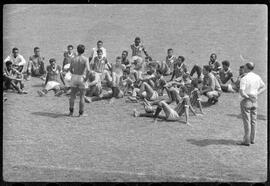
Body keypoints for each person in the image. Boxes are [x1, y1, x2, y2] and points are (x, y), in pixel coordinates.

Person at [237, 62, 266, 146]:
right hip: (255, 100)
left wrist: (247, 97)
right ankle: (252, 139)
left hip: (247, 100)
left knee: (247, 121)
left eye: (244, 67)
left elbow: (242, 92)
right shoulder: (257, 77)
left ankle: (246, 141)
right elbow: (264, 86)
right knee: (253, 121)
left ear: (246, 68)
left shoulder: (244, 78)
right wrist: (257, 93)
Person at [68, 44, 90, 117]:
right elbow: (89, 70)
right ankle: (81, 113)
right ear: (84, 51)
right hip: (81, 77)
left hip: (74, 76)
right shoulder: (85, 59)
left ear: (77, 50)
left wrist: (74, 74)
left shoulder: (73, 58)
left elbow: (70, 69)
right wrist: (86, 78)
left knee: (72, 95)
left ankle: (71, 112)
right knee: (82, 97)